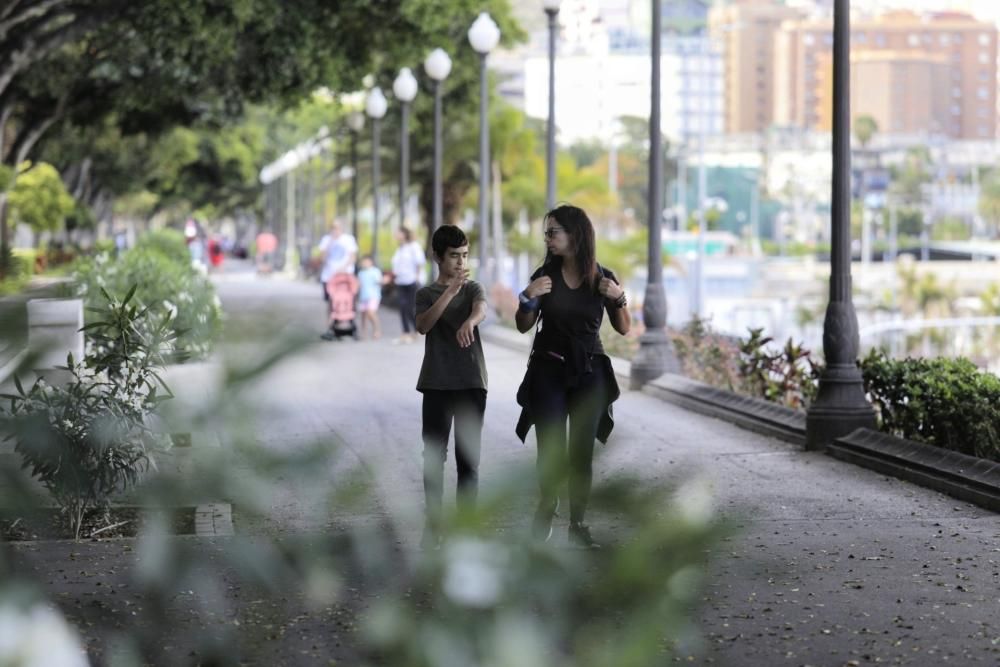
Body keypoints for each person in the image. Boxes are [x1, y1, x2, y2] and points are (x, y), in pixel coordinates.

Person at [513, 204, 630, 548]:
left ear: (574, 234)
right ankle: (547, 506)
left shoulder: (601, 278)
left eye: (554, 232)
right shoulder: (544, 276)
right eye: (546, 233)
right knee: (550, 448)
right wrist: (527, 298)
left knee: (581, 452)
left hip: (590, 371)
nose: (548, 239)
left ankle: (577, 522)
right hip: (548, 368)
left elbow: (624, 329)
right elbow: (523, 326)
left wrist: (619, 297)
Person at [414, 225, 488, 549]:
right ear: (438, 257)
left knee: (468, 460)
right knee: (434, 457)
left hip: (471, 382)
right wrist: (449, 292)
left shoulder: (473, 288)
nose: (461, 262)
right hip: (437, 383)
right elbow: (423, 325)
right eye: (454, 256)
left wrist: (470, 321)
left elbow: (480, 309)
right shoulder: (425, 294)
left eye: (465, 255)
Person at [391, 226, 426, 344]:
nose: (396, 235)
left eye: (398, 232)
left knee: (409, 307)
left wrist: (417, 277)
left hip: (412, 281)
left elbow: (419, 262)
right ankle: (406, 332)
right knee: (402, 306)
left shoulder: (414, 246)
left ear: (405, 234)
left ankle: (415, 330)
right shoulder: (400, 248)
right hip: (401, 281)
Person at [318, 221, 358, 320]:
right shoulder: (326, 240)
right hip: (329, 276)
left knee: (348, 300)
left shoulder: (348, 239)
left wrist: (343, 269)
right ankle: (330, 325)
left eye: (338, 228)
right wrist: (330, 243)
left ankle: (349, 322)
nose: (336, 230)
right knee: (331, 302)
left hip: (345, 277)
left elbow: (352, 257)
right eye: (333, 228)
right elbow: (322, 258)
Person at [356, 255, 383, 340]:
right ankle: (363, 332)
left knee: (370, 312)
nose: (364, 264)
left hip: (373, 296)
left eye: (366, 262)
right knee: (363, 315)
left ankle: (376, 330)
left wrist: (383, 281)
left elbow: (379, 281)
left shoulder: (375, 271)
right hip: (363, 297)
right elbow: (358, 285)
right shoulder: (361, 273)